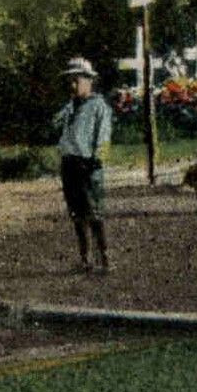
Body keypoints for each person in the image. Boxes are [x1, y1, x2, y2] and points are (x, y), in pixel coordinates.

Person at [53, 56, 113, 274]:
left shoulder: (99, 107)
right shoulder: (70, 107)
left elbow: (104, 138)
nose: (72, 85)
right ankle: (85, 258)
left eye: (76, 80)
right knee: (76, 215)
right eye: (69, 81)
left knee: (94, 214)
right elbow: (56, 126)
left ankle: (104, 258)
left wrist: (97, 159)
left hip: (88, 165)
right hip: (69, 164)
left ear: (89, 81)